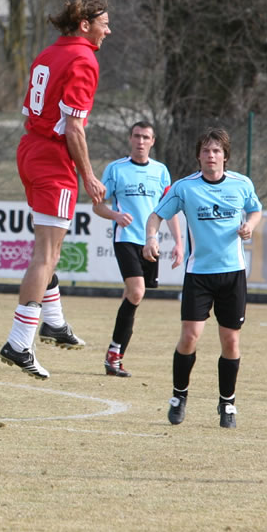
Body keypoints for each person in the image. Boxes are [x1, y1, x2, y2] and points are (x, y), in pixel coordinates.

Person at [0, 0, 111, 379]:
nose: (108, 29)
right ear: (85, 25)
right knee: (45, 254)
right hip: (52, 158)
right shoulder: (84, 58)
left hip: (30, 148)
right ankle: (18, 342)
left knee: (52, 248)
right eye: (104, 23)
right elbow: (74, 127)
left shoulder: (49, 53)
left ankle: (53, 322)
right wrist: (89, 175)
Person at [143, 128, 262, 429]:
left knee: (230, 341)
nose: (211, 156)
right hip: (199, 275)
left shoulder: (241, 184)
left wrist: (249, 225)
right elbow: (156, 215)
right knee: (189, 337)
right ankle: (179, 397)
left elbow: (256, 210)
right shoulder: (185, 188)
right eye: (206, 151)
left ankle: (228, 404)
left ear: (225, 155)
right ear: (198, 155)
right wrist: (151, 238)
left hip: (232, 274)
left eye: (217, 151)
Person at [93, 121, 183, 377]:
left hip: (150, 241)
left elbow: (170, 209)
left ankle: (115, 356)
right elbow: (97, 206)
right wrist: (115, 215)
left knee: (133, 297)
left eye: (146, 137)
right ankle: (114, 354)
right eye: (136, 136)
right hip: (125, 239)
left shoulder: (161, 171)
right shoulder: (116, 169)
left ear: (153, 141)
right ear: (130, 139)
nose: (140, 141)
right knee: (137, 291)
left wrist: (178, 242)